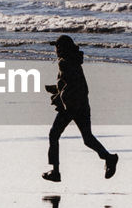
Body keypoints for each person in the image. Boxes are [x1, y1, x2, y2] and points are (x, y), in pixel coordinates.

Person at [43, 35, 118, 182]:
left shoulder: (64, 62)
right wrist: (56, 89)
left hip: (70, 106)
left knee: (54, 134)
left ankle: (56, 171)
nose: (56, 50)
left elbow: (70, 86)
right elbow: (74, 84)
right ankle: (109, 157)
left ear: (64, 48)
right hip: (82, 103)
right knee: (87, 138)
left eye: (58, 47)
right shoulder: (75, 61)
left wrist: (61, 96)